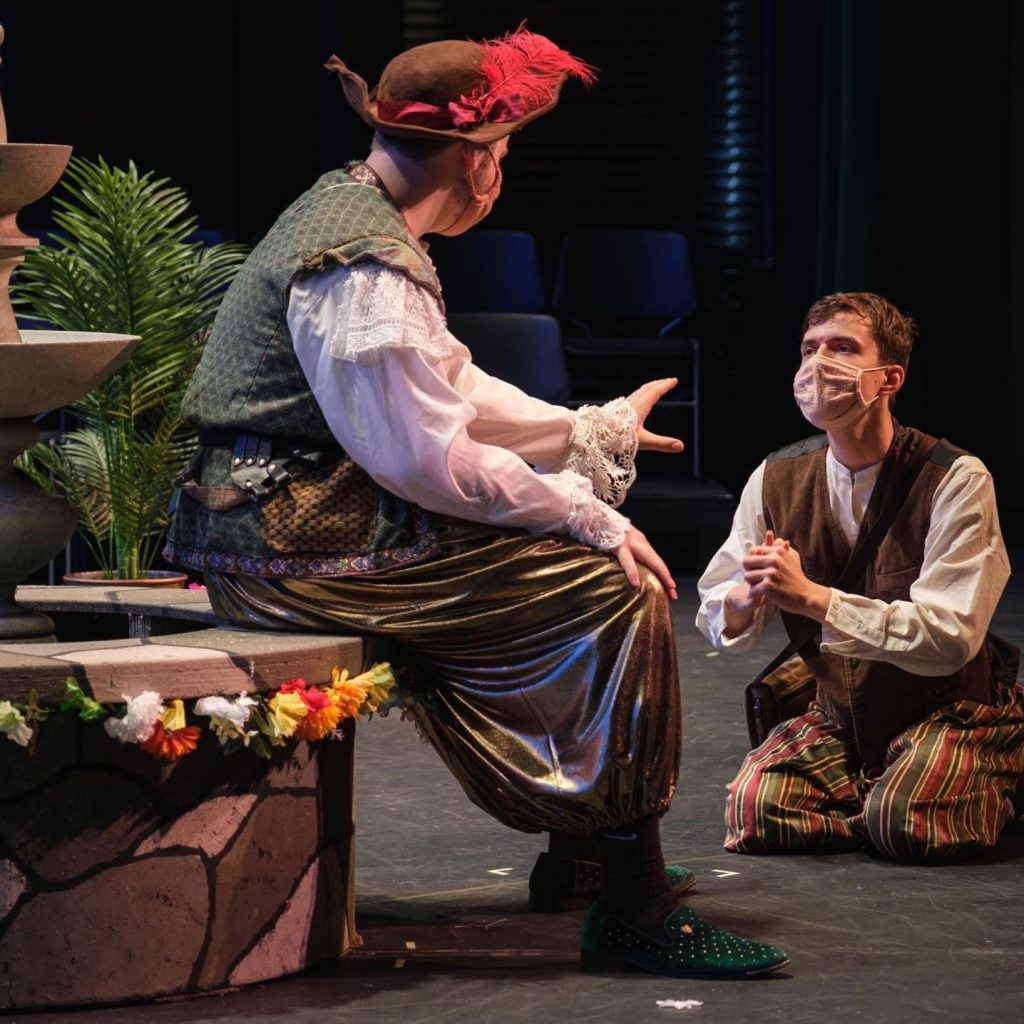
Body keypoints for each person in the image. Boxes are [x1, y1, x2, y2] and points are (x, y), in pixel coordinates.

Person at [164, 26, 788, 978]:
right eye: (502, 151)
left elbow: (447, 388)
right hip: (291, 545)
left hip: (308, 520)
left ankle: (586, 854)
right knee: (611, 590)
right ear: (475, 159)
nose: (504, 173)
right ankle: (634, 906)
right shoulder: (362, 267)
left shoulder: (361, 215)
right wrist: (586, 510)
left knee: (585, 569)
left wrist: (586, 430)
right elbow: (423, 458)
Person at [697, 291, 1023, 861]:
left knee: (908, 827)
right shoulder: (776, 477)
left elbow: (951, 637)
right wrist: (745, 597)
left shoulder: (954, 478)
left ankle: (985, 766)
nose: (818, 364)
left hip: (947, 708)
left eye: (843, 348)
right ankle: (889, 799)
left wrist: (815, 599)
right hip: (842, 715)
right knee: (755, 813)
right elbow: (718, 606)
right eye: (809, 349)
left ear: (889, 378)